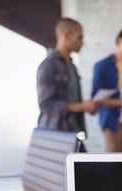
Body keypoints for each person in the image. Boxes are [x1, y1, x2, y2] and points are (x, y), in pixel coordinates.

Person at [36, 18, 98, 151]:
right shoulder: (48, 65)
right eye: (79, 37)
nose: (82, 42)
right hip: (56, 136)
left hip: (73, 132)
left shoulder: (72, 66)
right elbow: (46, 105)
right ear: (66, 36)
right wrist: (82, 106)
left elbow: (72, 100)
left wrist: (85, 107)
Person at [92, 27, 122, 152]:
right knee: (113, 165)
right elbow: (97, 99)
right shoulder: (103, 65)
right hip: (113, 123)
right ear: (120, 40)